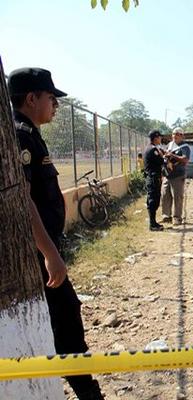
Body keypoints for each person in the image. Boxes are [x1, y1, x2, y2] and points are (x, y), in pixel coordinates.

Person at [8, 67, 105, 399]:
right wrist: (50, 254)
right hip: (36, 253)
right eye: (51, 98)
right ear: (32, 98)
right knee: (66, 323)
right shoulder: (19, 135)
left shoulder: (30, 134)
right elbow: (22, 199)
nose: (57, 105)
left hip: (44, 249)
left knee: (62, 321)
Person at [161, 127, 190, 225]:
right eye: (173, 134)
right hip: (167, 174)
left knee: (177, 197)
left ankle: (177, 218)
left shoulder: (185, 147)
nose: (174, 136)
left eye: (177, 134)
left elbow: (185, 160)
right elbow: (166, 154)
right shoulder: (170, 145)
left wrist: (173, 156)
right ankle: (166, 216)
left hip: (177, 175)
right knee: (165, 195)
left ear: (182, 136)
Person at [144, 130, 165, 231]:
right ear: (156, 138)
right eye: (160, 137)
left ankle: (153, 222)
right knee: (153, 200)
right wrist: (163, 156)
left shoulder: (153, 148)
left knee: (154, 199)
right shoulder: (153, 150)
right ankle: (152, 225)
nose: (161, 139)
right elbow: (161, 161)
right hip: (153, 178)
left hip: (153, 177)